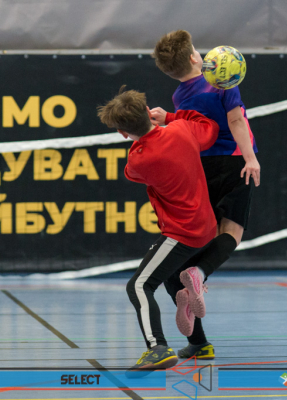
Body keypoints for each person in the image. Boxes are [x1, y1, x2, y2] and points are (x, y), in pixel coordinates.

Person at [151, 30, 260, 360]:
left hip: (201, 168)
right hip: (234, 161)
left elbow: (191, 127)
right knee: (232, 232)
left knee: (193, 243)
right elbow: (235, 120)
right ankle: (199, 274)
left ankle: (198, 341)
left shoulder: (179, 96)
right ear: (194, 57)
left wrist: (167, 119)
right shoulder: (222, 81)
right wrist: (250, 158)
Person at [97, 87, 219, 373]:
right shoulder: (181, 129)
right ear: (148, 111)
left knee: (139, 285)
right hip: (206, 225)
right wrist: (171, 118)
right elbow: (210, 128)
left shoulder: (139, 159)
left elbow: (131, 173)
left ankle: (157, 348)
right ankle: (199, 344)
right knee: (172, 278)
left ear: (122, 133)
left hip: (181, 232)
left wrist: (140, 137)